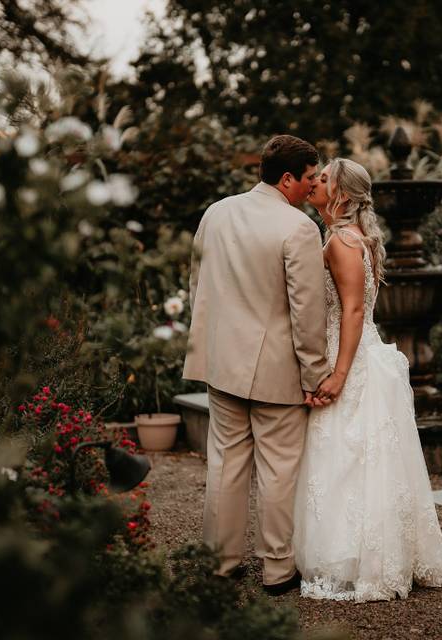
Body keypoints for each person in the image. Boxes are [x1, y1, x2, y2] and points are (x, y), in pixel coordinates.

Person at [293, 158, 442, 602]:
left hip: (350, 356)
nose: (315, 183)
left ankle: (352, 561)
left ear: (341, 194)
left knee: (346, 456)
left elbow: (353, 310)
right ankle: (371, 555)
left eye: (323, 178)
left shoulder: (343, 241)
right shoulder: (350, 236)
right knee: (359, 459)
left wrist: (340, 373)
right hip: (356, 350)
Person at [182, 135, 332, 596]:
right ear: (287, 178)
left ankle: (221, 565)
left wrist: (208, 346)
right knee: (279, 469)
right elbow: (307, 313)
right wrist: (315, 375)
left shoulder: (216, 213)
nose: (313, 186)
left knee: (225, 464)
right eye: (309, 178)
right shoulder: (299, 227)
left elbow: (196, 285)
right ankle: (277, 570)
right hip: (275, 372)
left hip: (220, 363)